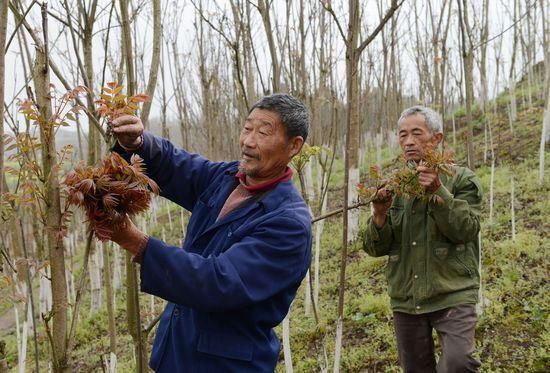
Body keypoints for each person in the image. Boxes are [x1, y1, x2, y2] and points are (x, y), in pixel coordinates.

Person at [109, 93, 312, 372]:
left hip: (225, 365)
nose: (249, 141)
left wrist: (137, 242)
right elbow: (177, 166)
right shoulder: (227, 178)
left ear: (294, 146)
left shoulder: (288, 224)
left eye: (264, 132)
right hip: (177, 353)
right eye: (247, 128)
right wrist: (139, 143)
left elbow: (219, 282)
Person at [361, 106, 483, 372]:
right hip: (407, 298)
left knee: (459, 362)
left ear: (436, 138)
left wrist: (438, 190)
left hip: (452, 292)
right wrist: (379, 215)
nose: (408, 141)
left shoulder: (461, 179)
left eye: (417, 134)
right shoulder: (395, 185)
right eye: (403, 135)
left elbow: (467, 229)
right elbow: (374, 247)